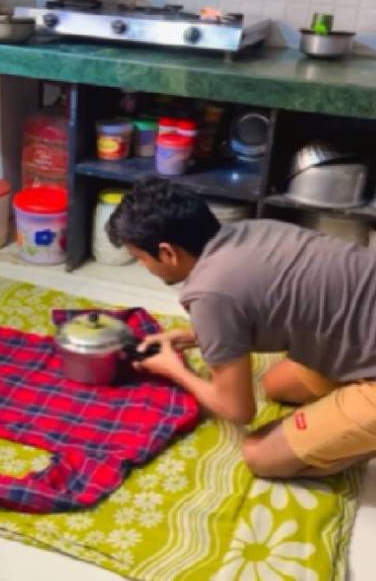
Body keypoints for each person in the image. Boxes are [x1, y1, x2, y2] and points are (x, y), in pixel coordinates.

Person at [106, 180, 376, 479]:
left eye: (141, 258)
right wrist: (192, 335)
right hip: (362, 337)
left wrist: (175, 370)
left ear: (167, 252)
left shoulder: (210, 293)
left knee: (260, 456)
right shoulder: (254, 229)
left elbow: (237, 410)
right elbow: (262, 307)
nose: (143, 266)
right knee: (276, 385)